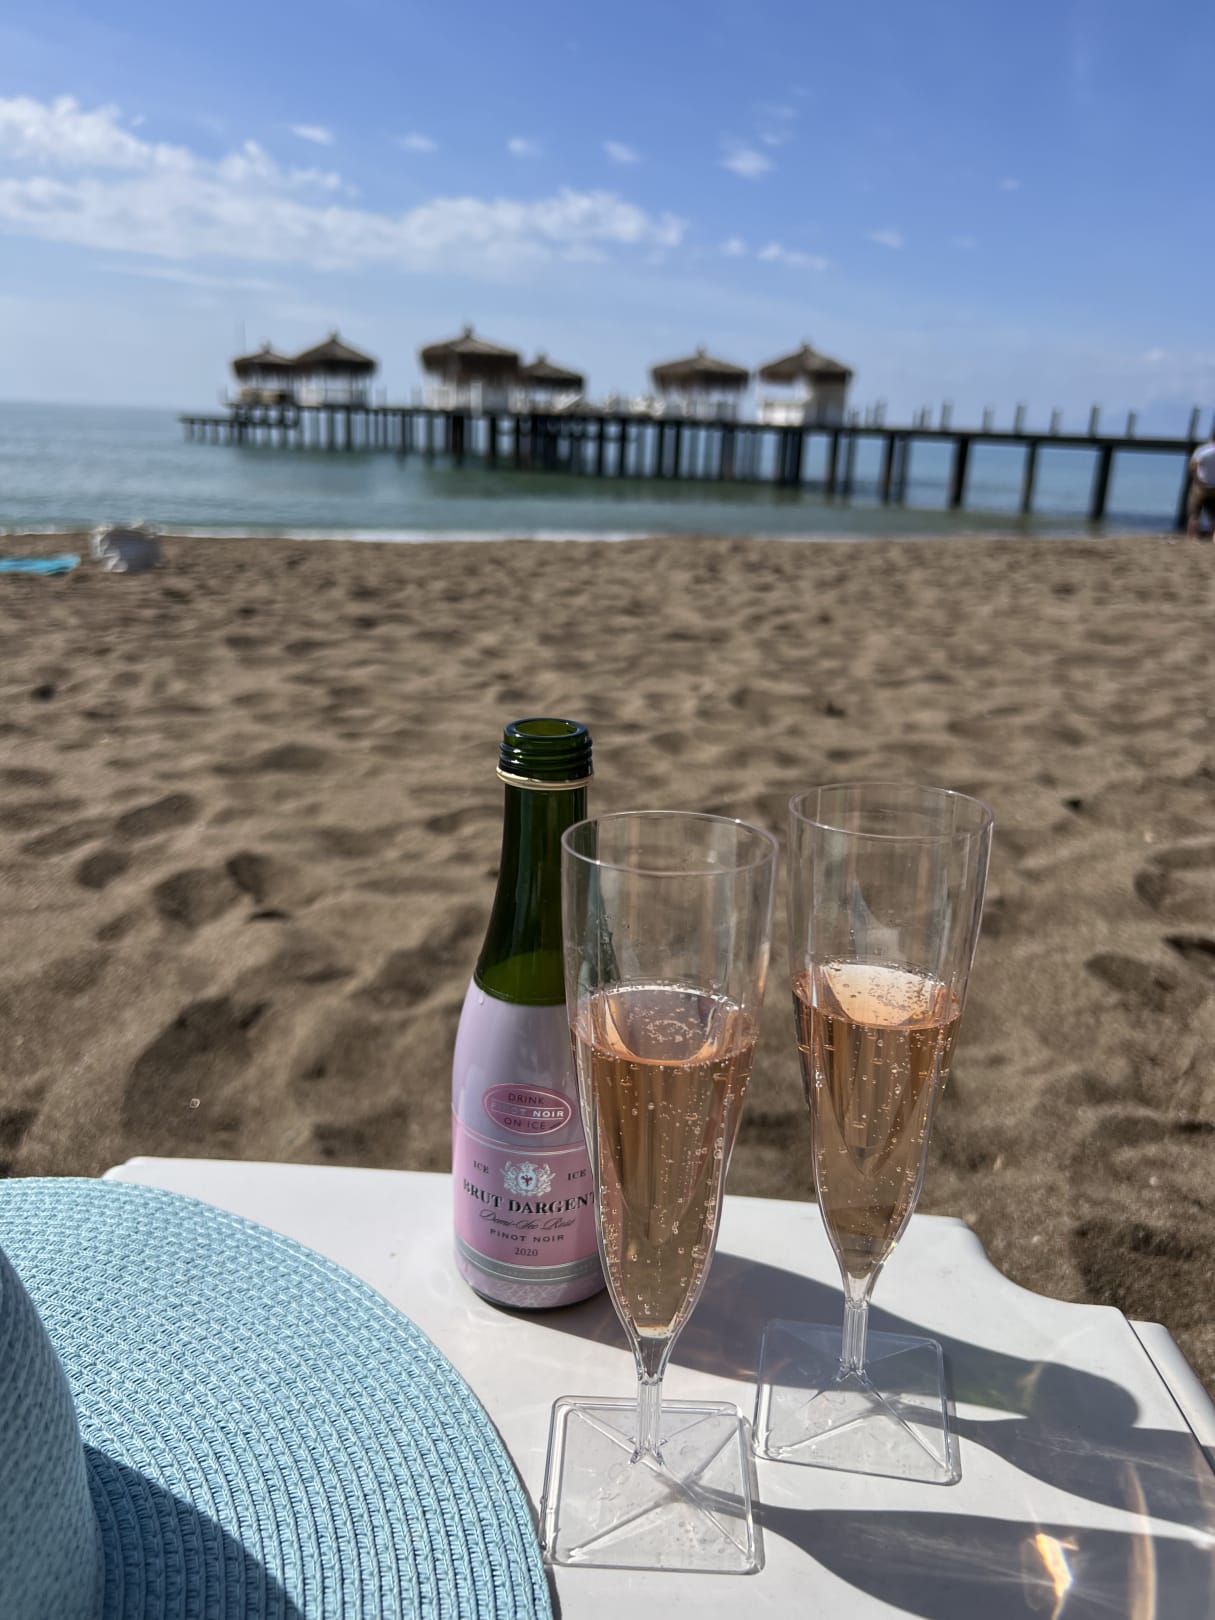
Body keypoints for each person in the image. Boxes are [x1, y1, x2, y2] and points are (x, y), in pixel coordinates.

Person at [1187, 428, 1215, 538]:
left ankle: (1192, 536)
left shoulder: (1203, 450)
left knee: (1195, 513)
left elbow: (1193, 465)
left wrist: (1197, 479)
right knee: (1213, 514)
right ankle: (1212, 536)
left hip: (1201, 485)